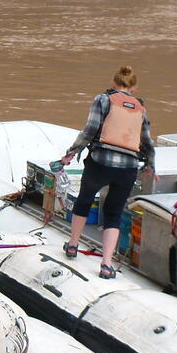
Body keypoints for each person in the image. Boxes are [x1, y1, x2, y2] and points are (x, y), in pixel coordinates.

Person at [59, 64, 156, 279]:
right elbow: (147, 141)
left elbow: (90, 130)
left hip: (100, 162)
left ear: (114, 83)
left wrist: (70, 153)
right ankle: (106, 265)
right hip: (128, 169)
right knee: (114, 213)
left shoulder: (103, 99)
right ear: (135, 87)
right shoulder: (141, 108)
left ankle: (73, 245)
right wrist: (151, 165)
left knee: (84, 200)